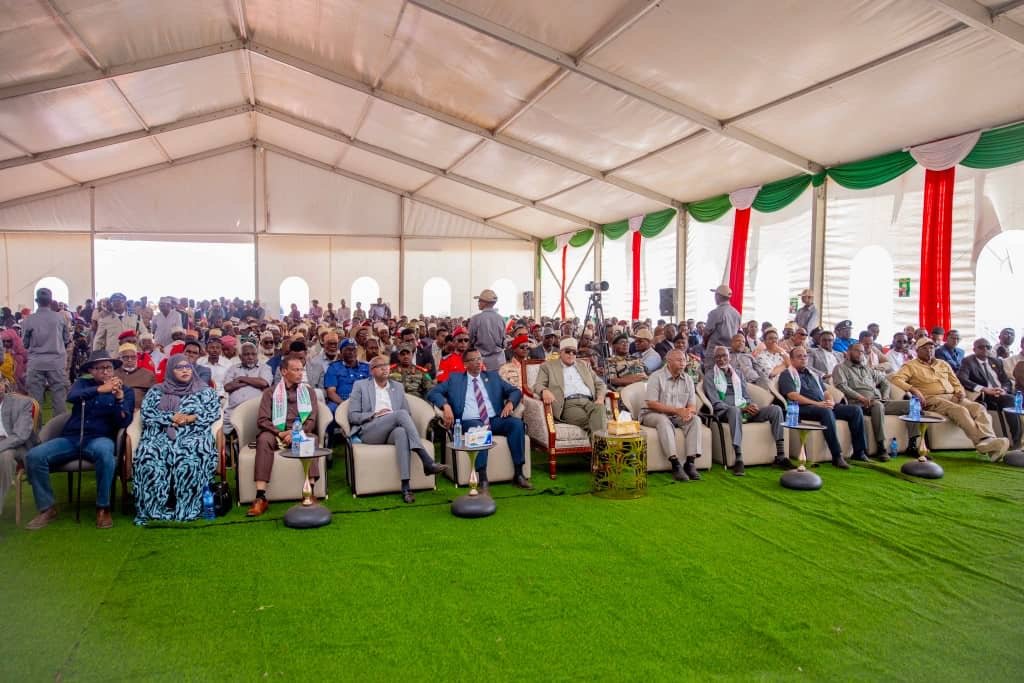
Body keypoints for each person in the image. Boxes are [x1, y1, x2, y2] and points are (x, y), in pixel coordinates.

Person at [24, 350, 135, 530]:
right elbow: (71, 397)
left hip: (100, 438)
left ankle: (102, 507)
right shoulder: (82, 384)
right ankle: (47, 508)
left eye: (108, 368)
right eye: (100, 368)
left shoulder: (125, 390)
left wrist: (119, 400)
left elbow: (123, 420)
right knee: (35, 456)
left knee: (106, 456)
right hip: (71, 437)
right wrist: (99, 390)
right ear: (91, 370)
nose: (106, 372)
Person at [131, 353, 221, 524]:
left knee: (190, 454)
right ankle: (153, 508)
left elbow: (213, 411)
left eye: (187, 367)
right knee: (149, 454)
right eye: (179, 367)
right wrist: (171, 417)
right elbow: (147, 414)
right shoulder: (157, 391)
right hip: (160, 433)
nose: (185, 370)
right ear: (171, 371)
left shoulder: (204, 391)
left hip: (193, 433)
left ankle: (187, 507)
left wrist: (191, 418)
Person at [427, 349, 530, 491]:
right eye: (473, 360)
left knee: (516, 424)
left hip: (494, 419)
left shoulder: (492, 376)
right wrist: (445, 406)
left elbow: (515, 391)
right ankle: (482, 478)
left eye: (479, 359)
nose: (478, 362)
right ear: (465, 364)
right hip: (470, 421)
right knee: (479, 428)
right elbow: (433, 392)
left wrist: (511, 403)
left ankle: (519, 474)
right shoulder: (455, 379)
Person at [348, 355, 447, 503]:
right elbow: (352, 416)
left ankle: (406, 486)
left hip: (392, 430)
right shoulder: (360, 386)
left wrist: (395, 418)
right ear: (371, 371)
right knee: (399, 414)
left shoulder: (397, 387)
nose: (385, 368)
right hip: (370, 430)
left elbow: (407, 413)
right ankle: (425, 459)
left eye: (386, 365)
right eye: (380, 366)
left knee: (401, 432)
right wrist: (373, 414)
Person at [890, 338, 1008, 460]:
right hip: (931, 398)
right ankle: (981, 444)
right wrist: (913, 389)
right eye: (925, 349)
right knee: (959, 410)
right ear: (917, 350)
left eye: (931, 348)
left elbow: (956, 382)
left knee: (979, 407)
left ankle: (989, 440)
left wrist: (960, 392)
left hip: (953, 396)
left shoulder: (943, 364)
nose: (929, 351)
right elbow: (896, 379)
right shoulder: (911, 365)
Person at [247, 355, 321, 517]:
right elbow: (263, 420)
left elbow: (311, 420)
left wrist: (295, 433)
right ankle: (260, 497)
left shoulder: (309, 392)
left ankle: (310, 492)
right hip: (276, 433)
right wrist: (280, 433)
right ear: (283, 371)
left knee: (312, 439)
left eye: (301, 369)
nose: (300, 373)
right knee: (263, 439)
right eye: (296, 370)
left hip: (300, 432)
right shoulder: (270, 392)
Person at [778, 346, 867, 468]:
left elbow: (825, 392)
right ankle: (837, 455)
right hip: (803, 408)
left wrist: (830, 401)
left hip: (822, 405)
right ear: (792, 360)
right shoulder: (787, 374)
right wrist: (817, 404)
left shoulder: (813, 374)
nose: (803, 359)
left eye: (805, 356)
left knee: (855, 410)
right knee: (826, 412)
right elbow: (792, 395)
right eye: (799, 356)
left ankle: (859, 452)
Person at [703, 346, 786, 475]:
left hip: (744, 409)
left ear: (729, 357)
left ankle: (780, 455)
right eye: (718, 357)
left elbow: (745, 396)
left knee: (776, 410)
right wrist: (741, 409)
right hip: (726, 412)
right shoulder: (710, 376)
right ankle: (739, 458)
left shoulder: (738, 373)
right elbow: (716, 403)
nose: (721, 359)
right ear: (714, 359)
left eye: (724, 356)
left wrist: (752, 405)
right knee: (735, 411)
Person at [833, 343, 910, 459]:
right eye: (857, 351)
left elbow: (884, 381)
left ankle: (913, 445)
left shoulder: (867, 369)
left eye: (862, 352)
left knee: (912, 406)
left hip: (878, 401)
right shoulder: (840, 368)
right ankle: (881, 447)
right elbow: (842, 386)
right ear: (848, 352)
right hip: (858, 403)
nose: (860, 354)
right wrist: (860, 397)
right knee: (878, 406)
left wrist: (885, 396)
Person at [640, 349, 703, 481]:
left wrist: (689, 413)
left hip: (677, 416)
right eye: (679, 360)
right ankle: (675, 464)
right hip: (653, 414)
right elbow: (651, 403)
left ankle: (690, 463)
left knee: (695, 420)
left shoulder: (688, 380)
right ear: (668, 361)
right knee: (663, 421)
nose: (683, 363)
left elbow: (692, 404)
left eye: (684, 360)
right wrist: (677, 411)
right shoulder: (656, 377)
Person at [533, 338, 607, 437]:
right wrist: (544, 390)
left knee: (600, 408)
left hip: (589, 402)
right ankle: (605, 450)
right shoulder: (548, 366)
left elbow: (600, 384)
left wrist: (600, 398)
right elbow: (538, 385)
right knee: (596, 423)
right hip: (569, 405)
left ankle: (600, 451)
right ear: (560, 352)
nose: (571, 354)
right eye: (568, 351)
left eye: (574, 352)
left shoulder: (584, 365)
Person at [957, 337, 1021, 450]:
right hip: (984, 395)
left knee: (1013, 400)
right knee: (1011, 400)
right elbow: (962, 378)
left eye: (988, 347)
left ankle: (1017, 440)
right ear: (974, 349)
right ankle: (1015, 442)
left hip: (1001, 394)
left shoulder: (995, 361)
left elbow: (1005, 380)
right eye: (981, 347)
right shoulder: (968, 361)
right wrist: (984, 389)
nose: (985, 349)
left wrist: (1003, 389)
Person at [21, 287, 70, 417]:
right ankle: (58, 431)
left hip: (36, 362)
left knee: (35, 401)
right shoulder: (60, 318)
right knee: (59, 398)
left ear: (36, 301)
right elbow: (66, 339)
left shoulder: (29, 320)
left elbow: (25, 344)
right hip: (56, 362)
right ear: (50, 301)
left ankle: (35, 433)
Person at [0, 377, 38, 514]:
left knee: (4, 455)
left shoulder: (22, 403)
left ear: (4, 384)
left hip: (16, 445)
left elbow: (20, 435)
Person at [222, 342, 272, 434]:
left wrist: (241, 379)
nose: (250, 357)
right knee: (221, 429)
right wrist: (253, 382)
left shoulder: (264, 368)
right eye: (246, 354)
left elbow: (263, 383)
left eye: (253, 354)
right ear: (240, 357)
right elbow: (227, 387)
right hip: (234, 409)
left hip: (256, 410)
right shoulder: (233, 368)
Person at [324, 339, 370, 414]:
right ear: (341, 352)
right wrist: (344, 405)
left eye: (354, 350)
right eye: (348, 350)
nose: (351, 352)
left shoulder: (366, 367)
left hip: (363, 400)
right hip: (341, 401)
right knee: (329, 410)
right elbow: (331, 392)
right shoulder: (334, 367)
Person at [703, 285, 741, 369]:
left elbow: (706, 333)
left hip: (714, 353)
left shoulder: (715, 313)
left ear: (718, 296)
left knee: (712, 377)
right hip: (729, 353)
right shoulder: (736, 313)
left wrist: (705, 344)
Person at [468, 289, 506, 372]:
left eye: (479, 301)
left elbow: (470, 341)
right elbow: (503, 343)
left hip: (481, 363)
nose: (478, 303)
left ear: (484, 302)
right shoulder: (501, 319)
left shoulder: (475, 319)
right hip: (499, 362)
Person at [114, 343, 155, 408]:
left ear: (137, 357)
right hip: (119, 409)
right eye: (126, 357)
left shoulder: (148, 374)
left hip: (140, 411)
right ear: (119, 358)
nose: (130, 360)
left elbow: (154, 397)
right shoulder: (114, 374)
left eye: (133, 357)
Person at [1, 328, 28, 393]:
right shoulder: (2, 353)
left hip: (16, 379)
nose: (6, 343)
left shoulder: (19, 354)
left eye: (8, 341)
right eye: (3, 341)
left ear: (13, 341)